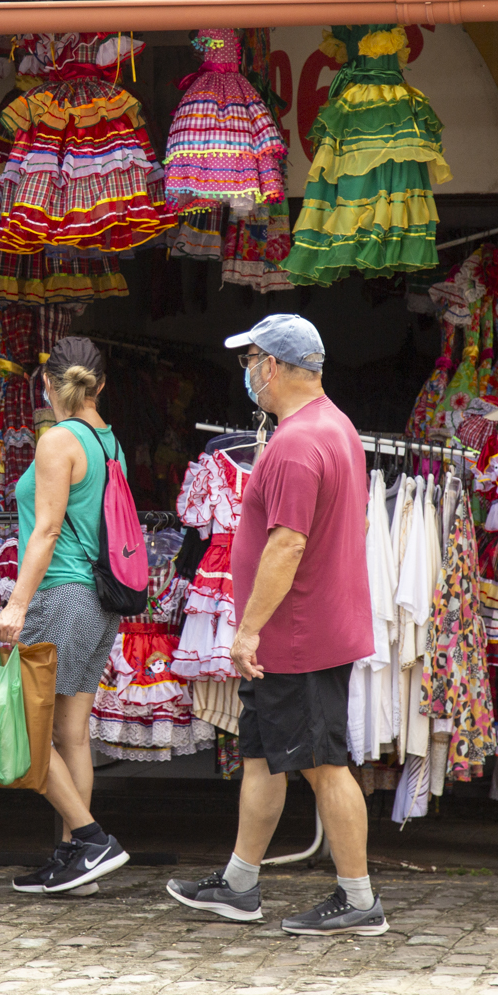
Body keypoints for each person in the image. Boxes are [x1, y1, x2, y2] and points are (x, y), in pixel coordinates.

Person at [166, 314, 388, 936]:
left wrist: (248, 631)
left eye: (250, 360)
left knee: (322, 763)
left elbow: (286, 545)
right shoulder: (335, 427)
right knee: (261, 758)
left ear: (274, 366)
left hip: (298, 635)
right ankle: (239, 885)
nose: (246, 373)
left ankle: (359, 899)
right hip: (305, 628)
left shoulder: (295, 443)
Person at [0, 336, 131, 896]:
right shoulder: (108, 440)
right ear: (101, 386)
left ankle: (93, 840)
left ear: (47, 385)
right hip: (98, 599)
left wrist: (17, 604)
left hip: (61, 593)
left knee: (26, 729)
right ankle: (79, 864)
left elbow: (47, 531)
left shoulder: (57, 442)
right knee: (72, 732)